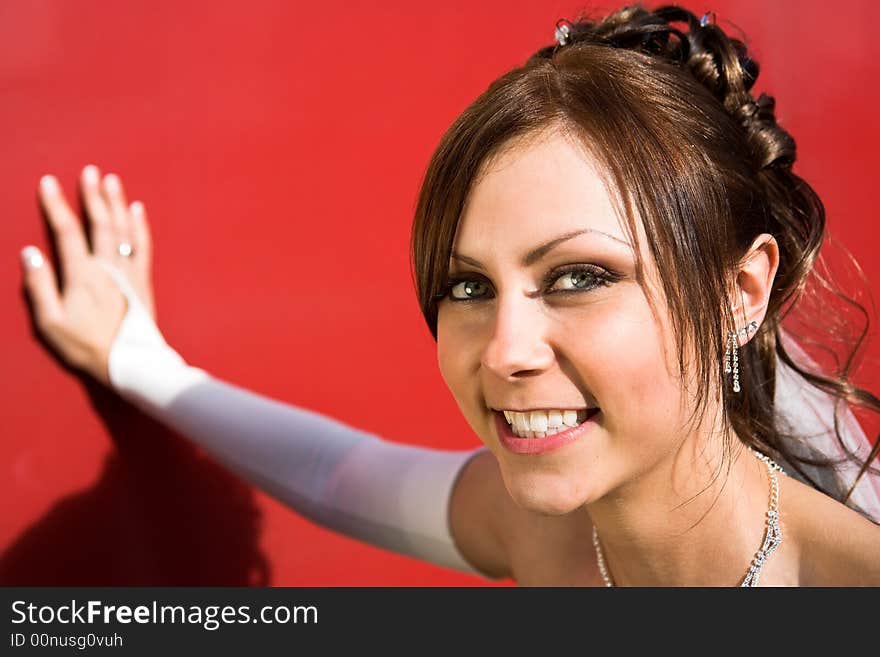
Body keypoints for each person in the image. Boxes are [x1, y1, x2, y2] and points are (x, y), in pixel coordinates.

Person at [18, 4, 880, 586]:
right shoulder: (546, 532)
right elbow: (338, 472)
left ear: (741, 289)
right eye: (467, 284)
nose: (504, 349)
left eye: (579, 276)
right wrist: (137, 360)